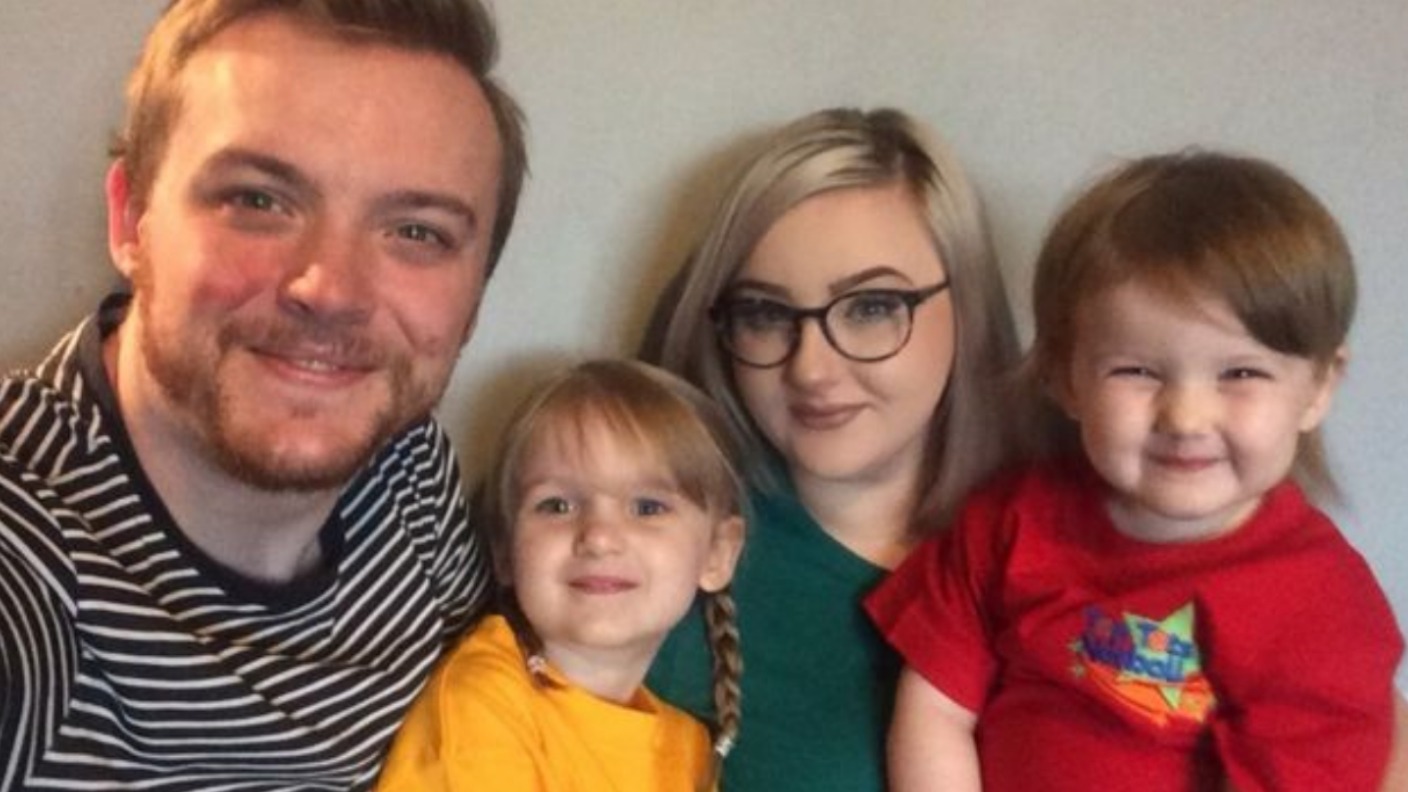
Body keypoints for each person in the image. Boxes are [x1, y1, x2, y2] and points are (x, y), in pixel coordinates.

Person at [0, 1, 526, 789]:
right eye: (257, 200)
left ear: (474, 299)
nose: (332, 290)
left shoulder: (410, 468)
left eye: (418, 232)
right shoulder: (29, 553)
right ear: (132, 220)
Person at [867, 151, 1404, 791]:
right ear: (1065, 378)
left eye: (1240, 373)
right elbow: (937, 712)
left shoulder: (1322, 607)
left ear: (1318, 387)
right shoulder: (1009, 520)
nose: (1186, 417)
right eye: (1138, 371)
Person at [643, 107, 1024, 792]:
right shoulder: (657, 554)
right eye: (764, 313)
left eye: (871, 307)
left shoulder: (1078, 545)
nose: (811, 370)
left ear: (966, 305)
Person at [376, 359, 745, 791]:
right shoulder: (483, 702)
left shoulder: (689, 749)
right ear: (505, 550)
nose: (599, 538)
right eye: (557, 506)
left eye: (647, 507)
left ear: (717, 554)